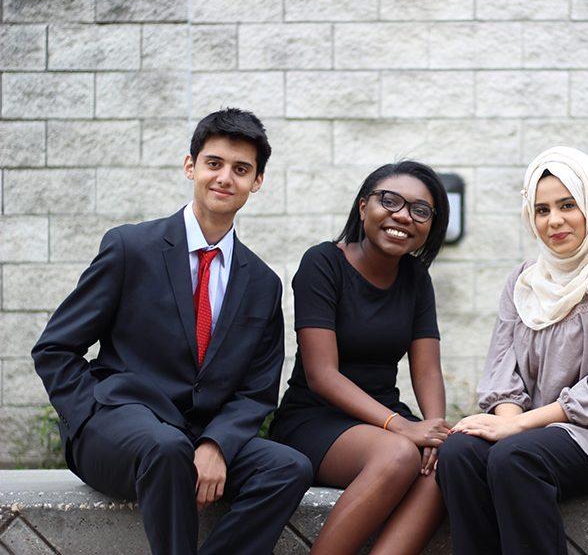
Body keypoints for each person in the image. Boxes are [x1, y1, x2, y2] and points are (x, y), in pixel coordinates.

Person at [31, 108, 313, 555]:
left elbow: (257, 391)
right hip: (119, 425)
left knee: (289, 467)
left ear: (256, 182)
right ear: (191, 166)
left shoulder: (261, 283)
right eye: (214, 163)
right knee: (165, 448)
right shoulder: (130, 248)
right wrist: (86, 414)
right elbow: (55, 348)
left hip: (197, 434)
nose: (225, 178)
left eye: (241, 170)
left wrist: (217, 444)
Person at [436, 146, 588, 555]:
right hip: (531, 432)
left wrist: (515, 429)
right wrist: (507, 421)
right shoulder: (524, 280)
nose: (554, 221)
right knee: (460, 451)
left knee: (514, 457)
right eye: (541, 209)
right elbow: (502, 371)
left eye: (568, 205)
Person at [270, 161, 451, 555]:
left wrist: (434, 431)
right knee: (400, 454)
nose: (403, 216)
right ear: (364, 206)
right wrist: (400, 426)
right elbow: (322, 375)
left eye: (420, 210)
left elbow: (427, 369)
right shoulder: (323, 263)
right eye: (391, 201)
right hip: (315, 418)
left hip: (384, 420)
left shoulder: (417, 279)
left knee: (449, 463)